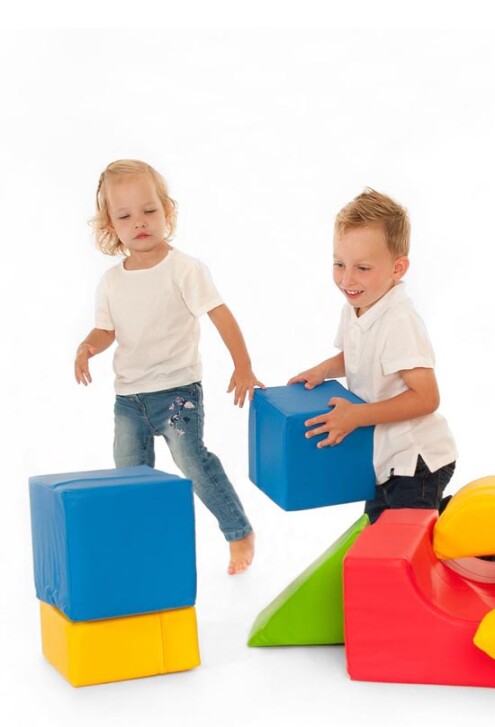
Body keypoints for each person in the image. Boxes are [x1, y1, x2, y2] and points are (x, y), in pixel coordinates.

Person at [74, 159, 263, 575]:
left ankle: (237, 531)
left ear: (167, 211)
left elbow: (219, 314)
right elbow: (106, 330)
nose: (140, 222)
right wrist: (88, 346)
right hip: (129, 400)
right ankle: (142, 551)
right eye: (125, 216)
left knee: (192, 461)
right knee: (130, 477)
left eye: (149, 210)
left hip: (177, 393)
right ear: (111, 225)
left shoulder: (183, 269)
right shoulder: (111, 281)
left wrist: (243, 366)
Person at [289, 188, 457, 523]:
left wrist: (357, 416)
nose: (347, 279)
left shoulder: (399, 321)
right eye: (339, 264)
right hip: (384, 458)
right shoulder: (357, 306)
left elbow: (426, 397)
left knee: (402, 540)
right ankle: (447, 520)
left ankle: (463, 529)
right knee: (380, 534)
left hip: (416, 461)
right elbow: (356, 355)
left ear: (398, 268)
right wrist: (324, 369)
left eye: (362, 268)